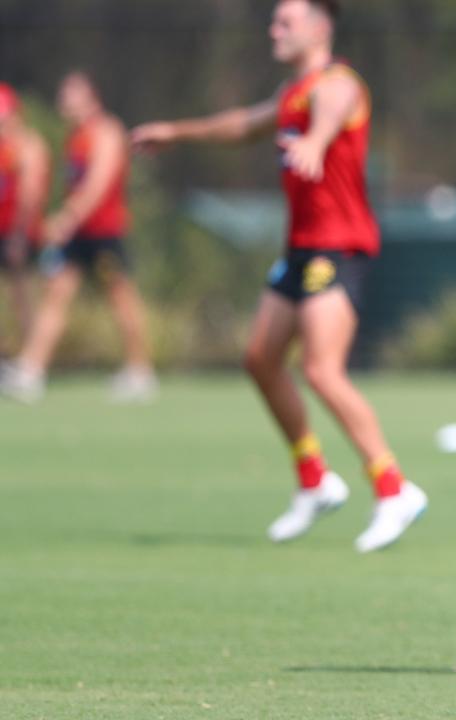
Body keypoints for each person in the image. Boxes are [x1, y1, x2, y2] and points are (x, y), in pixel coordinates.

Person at [129, 0, 426, 553]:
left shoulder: (337, 84)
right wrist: (177, 131)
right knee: (260, 360)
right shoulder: (292, 92)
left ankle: (394, 489)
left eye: (285, 22)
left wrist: (316, 139)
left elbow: (334, 107)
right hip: (301, 248)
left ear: (320, 27)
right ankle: (314, 480)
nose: (274, 30)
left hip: (338, 250)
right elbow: (243, 124)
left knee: (321, 370)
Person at [0, 72, 154, 404]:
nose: (64, 100)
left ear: (91, 97)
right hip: (78, 236)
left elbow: (97, 184)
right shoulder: (76, 135)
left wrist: (67, 218)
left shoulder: (107, 131)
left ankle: (140, 370)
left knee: (121, 299)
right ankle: (31, 370)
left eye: (71, 93)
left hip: (104, 234)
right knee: (56, 295)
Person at [0, 83, 51, 349]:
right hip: (4, 230)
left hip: (20, 233)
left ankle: (31, 359)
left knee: (22, 294)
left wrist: (18, 236)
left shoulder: (28, 145)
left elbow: (30, 194)